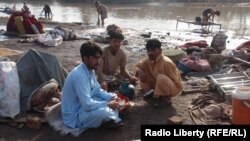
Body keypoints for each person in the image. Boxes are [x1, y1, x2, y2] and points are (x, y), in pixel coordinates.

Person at [61, 41, 123, 132]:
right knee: (104, 112)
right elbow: (87, 105)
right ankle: (109, 119)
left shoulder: (91, 70)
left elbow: (97, 91)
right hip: (75, 115)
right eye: (95, 58)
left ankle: (110, 117)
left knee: (114, 99)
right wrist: (108, 104)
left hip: (83, 105)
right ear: (85, 58)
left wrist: (112, 97)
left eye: (99, 58)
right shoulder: (79, 75)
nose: (98, 61)